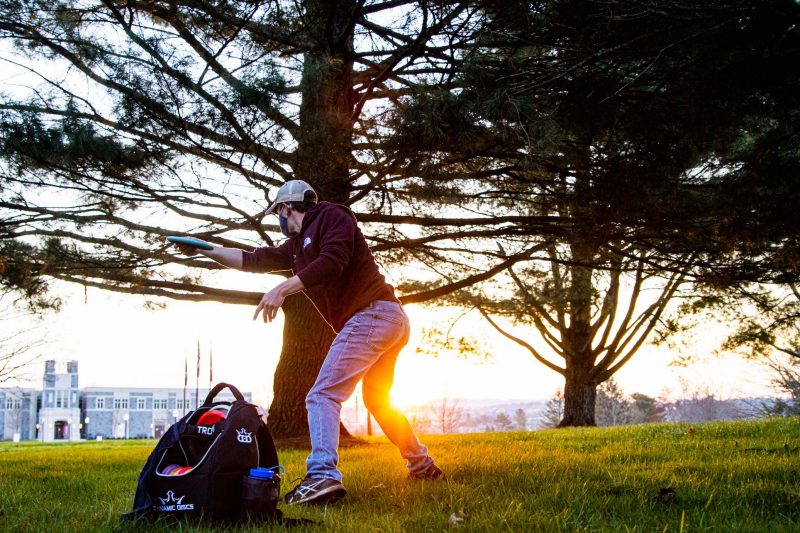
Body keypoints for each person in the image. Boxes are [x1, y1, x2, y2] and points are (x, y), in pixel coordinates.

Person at [172, 180, 443, 505]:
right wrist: (206, 249)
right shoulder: (297, 248)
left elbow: (333, 261)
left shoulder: (333, 215)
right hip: (386, 321)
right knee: (377, 400)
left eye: (278, 215)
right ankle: (423, 467)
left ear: (287, 208)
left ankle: (323, 476)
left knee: (323, 394)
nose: (279, 222)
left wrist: (282, 289)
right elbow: (252, 260)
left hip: (374, 315)